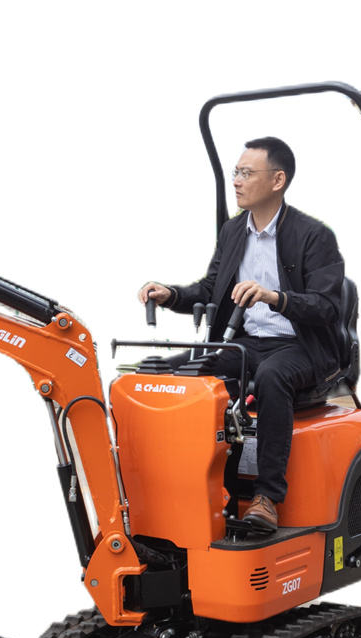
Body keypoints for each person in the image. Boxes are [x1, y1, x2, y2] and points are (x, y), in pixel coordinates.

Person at [138, 137, 344, 533]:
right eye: (236, 172)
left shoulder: (314, 236)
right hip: (247, 342)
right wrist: (172, 295)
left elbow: (327, 307)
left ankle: (266, 498)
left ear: (278, 180)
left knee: (271, 376)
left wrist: (274, 298)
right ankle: (194, 488)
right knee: (177, 373)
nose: (236, 181)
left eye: (247, 173)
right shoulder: (234, 231)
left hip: (300, 345)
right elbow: (211, 288)